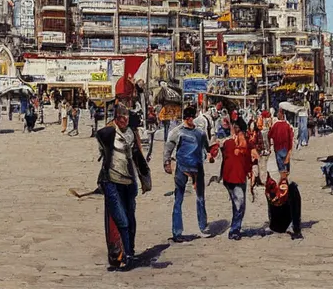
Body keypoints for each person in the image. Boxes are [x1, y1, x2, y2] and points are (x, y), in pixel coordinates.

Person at [93, 106, 153, 271]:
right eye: (121, 117)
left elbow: (137, 156)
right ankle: (122, 255)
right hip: (111, 181)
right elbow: (101, 144)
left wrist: (145, 178)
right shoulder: (108, 133)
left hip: (129, 182)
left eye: (126, 116)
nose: (123, 119)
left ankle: (129, 252)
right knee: (121, 220)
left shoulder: (131, 134)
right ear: (116, 118)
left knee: (130, 220)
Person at [164, 107, 212, 242]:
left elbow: (207, 148)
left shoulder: (200, 133)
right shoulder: (177, 132)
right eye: (190, 118)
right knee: (178, 199)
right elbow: (168, 148)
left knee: (201, 198)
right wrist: (166, 163)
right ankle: (177, 232)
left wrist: (211, 153)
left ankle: (203, 227)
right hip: (182, 168)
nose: (192, 120)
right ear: (187, 118)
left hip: (197, 168)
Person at [209, 117, 257, 240]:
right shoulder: (227, 143)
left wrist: (253, 176)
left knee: (238, 204)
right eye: (234, 128)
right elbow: (215, 153)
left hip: (240, 176)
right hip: (229, 177)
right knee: (239, 203)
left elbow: (253, 159)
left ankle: (235, 229)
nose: (236, 131)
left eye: (238, 128)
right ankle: (235, 229)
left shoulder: (248, 144)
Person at [263, 174, 304, 239]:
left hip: (286, 175)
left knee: (290, 190)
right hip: (273, 174)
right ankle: (274, 225)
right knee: (272, 192)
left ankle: (293, 225)